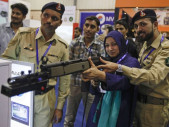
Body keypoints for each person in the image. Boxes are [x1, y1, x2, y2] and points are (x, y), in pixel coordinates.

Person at [96, 9, 169, 127]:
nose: (139, 29)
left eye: (143, 24)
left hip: (155, 109)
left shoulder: (165, 48)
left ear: (155, 25)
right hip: (137, 104)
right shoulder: (145, 45)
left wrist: (119, 68)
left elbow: (154, 77)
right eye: (136, 25)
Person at [2, 2, 70, 127]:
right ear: (40, 16)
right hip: (21, 95)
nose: (48, 20)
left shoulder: (62, 47)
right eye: (46, 15)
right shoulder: (23, 35)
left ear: (60, 22)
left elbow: (65, 80)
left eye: (54, 18)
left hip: (45, 98)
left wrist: (60, 107)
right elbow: (5, 61)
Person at [82, 30, 140, 127]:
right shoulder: (105, 60)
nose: (110, 49)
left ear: (121, 44)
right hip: (100, 108)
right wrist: (95, 83)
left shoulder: (132, 62)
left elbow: (125, 82)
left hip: (120, 111)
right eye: (107, 45)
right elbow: (95, 91)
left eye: (114, 44)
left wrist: (102, 76)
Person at [64, 16, 105, 127]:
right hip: (75, 84)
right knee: (69, 118)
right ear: (83, 26)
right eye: (86, 25)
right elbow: (69, 66)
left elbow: (102, 66)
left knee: (90, 119)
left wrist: (93, 76)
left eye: (92, 26)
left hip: (92, 86)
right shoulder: (74, 43)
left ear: (97, 29)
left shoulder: (101, 45)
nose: (88, 29)